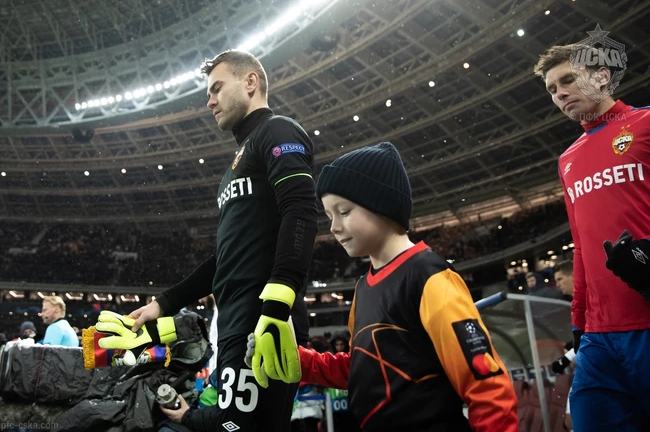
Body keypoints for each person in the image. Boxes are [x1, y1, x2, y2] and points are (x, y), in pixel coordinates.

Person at [128, 49, 318, 432]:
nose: (209, 101)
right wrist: (163, 303)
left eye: (216, 88)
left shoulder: (278, 131)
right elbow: (224, 258)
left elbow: (300, 210)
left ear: (250, 82)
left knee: (238, 428)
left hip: (263, 322)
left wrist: (276, 308)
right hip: (235, 323)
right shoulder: (234, 168)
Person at [288, 142, 519, 431]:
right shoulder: (363, 288)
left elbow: (487, 386)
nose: (333, 227)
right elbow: (364, 370)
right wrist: (297, 360)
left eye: (344, 211)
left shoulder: (429, 277)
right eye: (329, 216)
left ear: (381, 204)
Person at [535, 43, 650, 431]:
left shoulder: (646, 124)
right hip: (599, 337)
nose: (560, 93)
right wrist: (579, 321)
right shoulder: (567, 160)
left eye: (568, 80)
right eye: (552, 89)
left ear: (602, 76)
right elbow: (582, 246)